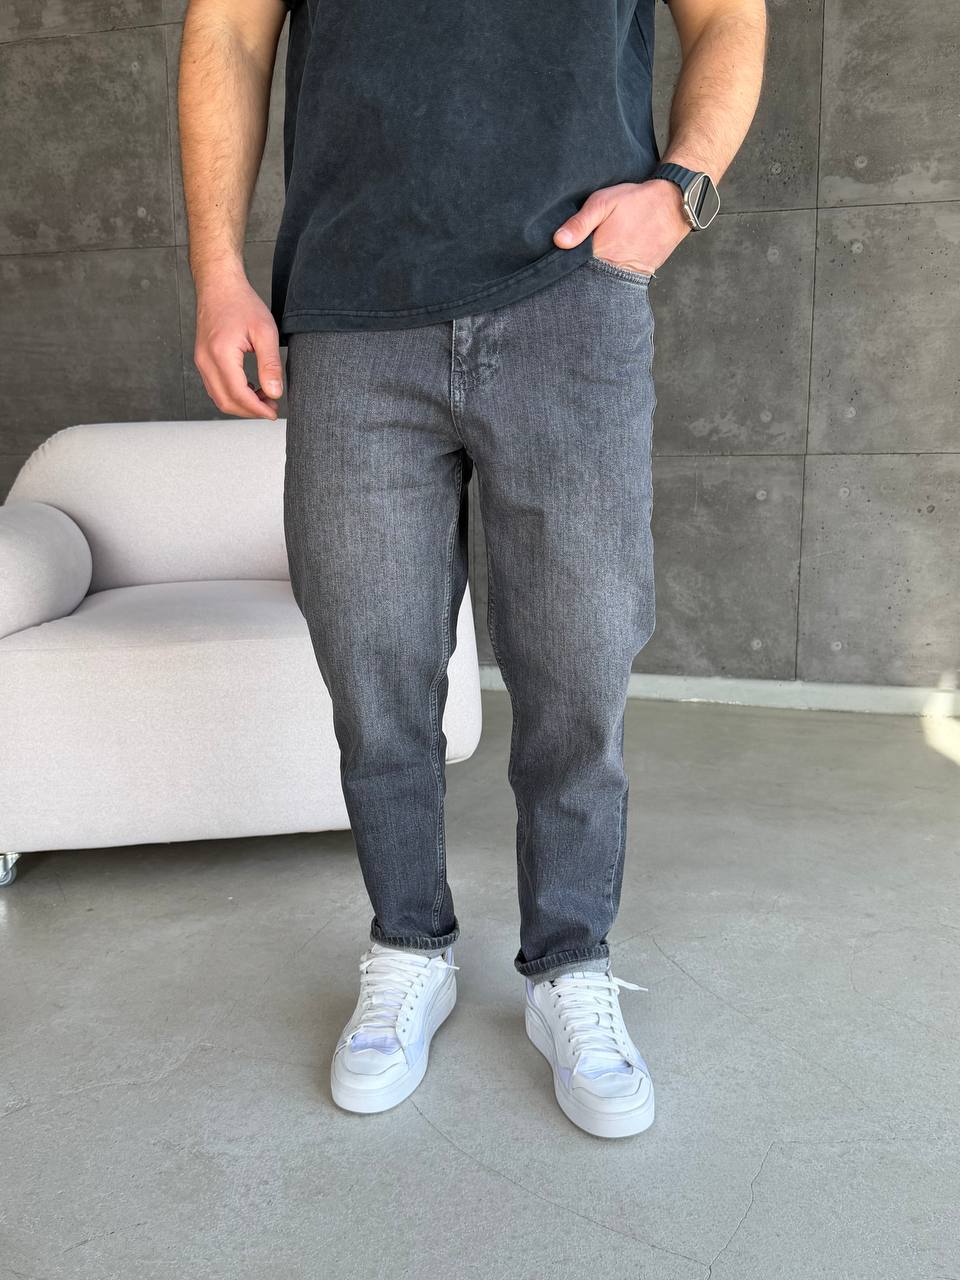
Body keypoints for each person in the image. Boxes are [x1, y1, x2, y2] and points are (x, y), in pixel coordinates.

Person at [179, 0, 766, 1139]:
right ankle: (410, 945)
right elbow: (230, 33)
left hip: (570, 295)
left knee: (580, 658)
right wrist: (217, 270)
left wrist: (682, 186)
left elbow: (729, 14)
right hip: (350, 308)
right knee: (371, 658)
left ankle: (570, 963)